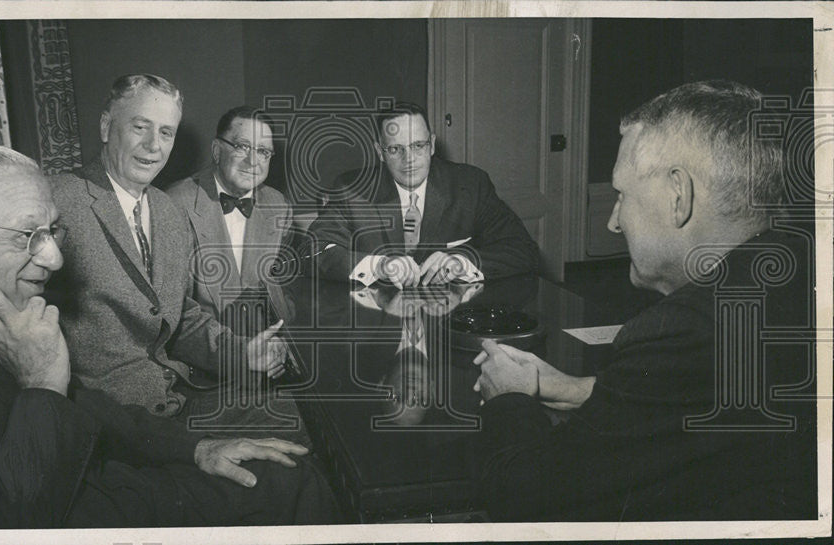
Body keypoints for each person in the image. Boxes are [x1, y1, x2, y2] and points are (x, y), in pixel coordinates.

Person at [0, 142, 337, 528]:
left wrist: (195, 448)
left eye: (53, 233)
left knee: (285, 469)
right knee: (290, 482)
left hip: (92, 478)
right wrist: (42, 384)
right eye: (27, 236)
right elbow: (3, 524)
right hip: (63, 514)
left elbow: (85, 404)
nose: (54, 260)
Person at [471, 80, 817, 520]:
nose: (614, 222)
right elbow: (701, 402)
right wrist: (577, 390)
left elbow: (522, 497)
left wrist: (510, 397)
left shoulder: (681, 329)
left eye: (621, 194)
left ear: (679, 196)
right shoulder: (799, 269)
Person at [47, 75, 291, 422]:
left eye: (166, 132)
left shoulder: (164, 209)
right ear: (106, 126)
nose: (153, 145)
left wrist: (243, 354)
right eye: (140, 126)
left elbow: (179, 318)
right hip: (111, 418)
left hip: (180, 395)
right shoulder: (56, 200)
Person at [308, 102, 539, 288]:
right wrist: (377, 266)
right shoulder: (352, 189)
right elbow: (314, 250)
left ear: (432, 145)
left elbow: (522, 249)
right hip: (378, 324)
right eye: (396, 149)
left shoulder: (470, 185)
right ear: (380, 152)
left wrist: (462, 263)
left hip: (453, 319)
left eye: (418, 145)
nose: (409, 159)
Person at [165, 106, 291, 321]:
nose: (253, 162)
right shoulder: (175, 203)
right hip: (205, 345)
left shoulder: (278, 205)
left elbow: (280, 289)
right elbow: (174, 309)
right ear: (216, 150)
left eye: (263, 151)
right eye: (242, 147)